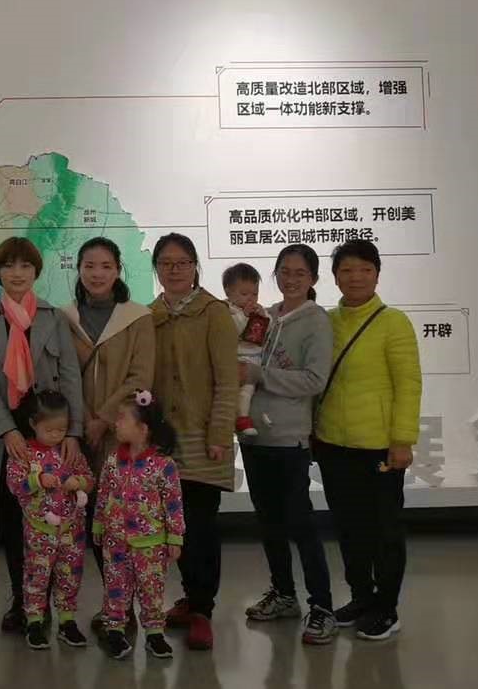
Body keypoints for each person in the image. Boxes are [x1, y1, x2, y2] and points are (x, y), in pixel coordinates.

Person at [0, 236, 86, 633]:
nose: (17, 273)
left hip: (52, 431)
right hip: (9, 435)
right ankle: (23, 600)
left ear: (36, 272)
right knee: (15, 519)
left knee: (57, 517)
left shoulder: (54, 317)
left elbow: (70, 375)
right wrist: (6, 430)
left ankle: (54, 600)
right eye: (8, 266)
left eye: (25, 266)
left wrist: (73, 432)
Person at [313, 239, 422, 641]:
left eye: (364, 269)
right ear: (335, 276)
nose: (355, 277)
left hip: (379, 447)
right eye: (346, 270)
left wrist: (402, 440)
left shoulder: (394, 322)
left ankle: (387, 608)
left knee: (384, 529)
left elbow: (408, 385)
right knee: (348, 527)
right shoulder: (325, 321)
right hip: (332, 444)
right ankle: (361, 596)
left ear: (377, 274)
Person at [240, 245, 338, 645]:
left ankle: (322, 606)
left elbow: (314, 380)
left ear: (313, 278)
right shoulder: (264, 316)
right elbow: (243, 356)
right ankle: (283, 594)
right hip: (253, 436)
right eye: (284, 271)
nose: (291, 279)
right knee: (268, 521)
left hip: (289, 438)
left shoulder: (317, 321)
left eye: (300, 273)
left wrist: (260, 375)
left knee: (300, 523)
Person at [62, 236, 155, 635]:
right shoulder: (64, 317)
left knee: (121, 523)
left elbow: (140, 377)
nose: (97, 274)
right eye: (89, 266)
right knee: (87, 523)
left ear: (118, 270)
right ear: (79, 270)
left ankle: (126, 607)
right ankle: (109, 604)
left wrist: (102, 419)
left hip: (120, 436)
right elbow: (61, 373)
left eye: (105, 266)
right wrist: (83, 420)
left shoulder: (137, 317)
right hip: (76, 434)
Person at [149, 232, 236, 652]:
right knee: (173, 525)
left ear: (195, 266)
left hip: (203, 439)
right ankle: (189, 596)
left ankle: (203, 609)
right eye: (166, 263)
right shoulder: (149, 315)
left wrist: (219, 434)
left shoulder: (214, 312)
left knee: (201, 525)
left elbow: (227, 380)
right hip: (164, 442)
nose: (174, 270)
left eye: (182, 262)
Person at [93, 390, 184, 661]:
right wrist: (98, 524)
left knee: (151, 589)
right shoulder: (112, 461)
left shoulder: (164, 465)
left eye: (122, 418)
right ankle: (114, 631)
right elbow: (103, 494)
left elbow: (173, 503)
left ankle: (154, 633)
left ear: (143, 429)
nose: (116, 423)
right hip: (115, 542)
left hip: (151, 545)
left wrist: (175, 537)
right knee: (115, 587)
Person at [4, 391, 94, 651]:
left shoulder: (69, 451)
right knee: (36, 576)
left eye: (61, 429)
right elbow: (15, 485)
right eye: (49, 430)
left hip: (72, 530)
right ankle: (34, 621)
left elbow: (89, 479)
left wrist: (79, 483)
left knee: (70, 575)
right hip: (39, 531)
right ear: (33, 424)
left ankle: (67, 621)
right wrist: (37, 480)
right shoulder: (25, 453)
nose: (56, 435)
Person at [223, 263, 271, 438]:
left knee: (249, 391)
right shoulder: (225, 310)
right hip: (234, 361)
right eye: (244, 294)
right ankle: (233, 421)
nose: (250, 298)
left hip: (253, 360)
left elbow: (269, 329)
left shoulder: (258, 310)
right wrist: (244, 316)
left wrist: (263, 316)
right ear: (228, 291)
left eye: (255, 294)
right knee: (231, 394)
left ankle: (244, 419)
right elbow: (231, 330)